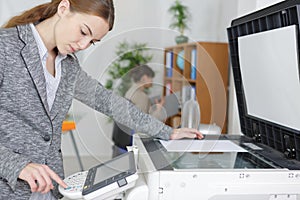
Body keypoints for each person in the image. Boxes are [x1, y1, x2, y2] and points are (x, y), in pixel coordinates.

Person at [0, 0, 203, 199]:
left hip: (47, 187)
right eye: (83, 31)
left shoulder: (68, 66)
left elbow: (109, 102)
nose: (82, 45)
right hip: (8, 186)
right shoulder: (5, 47)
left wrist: (168, 132)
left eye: (92, 41)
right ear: (63, 8)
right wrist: (17, 165)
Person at [112, 64, 166, 157]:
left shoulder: (130, 91)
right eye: (151, 78)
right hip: (132, 145)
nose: (152, 81)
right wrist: (159, 109)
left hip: (120, 144)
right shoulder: (141, 97)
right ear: (144, 78)